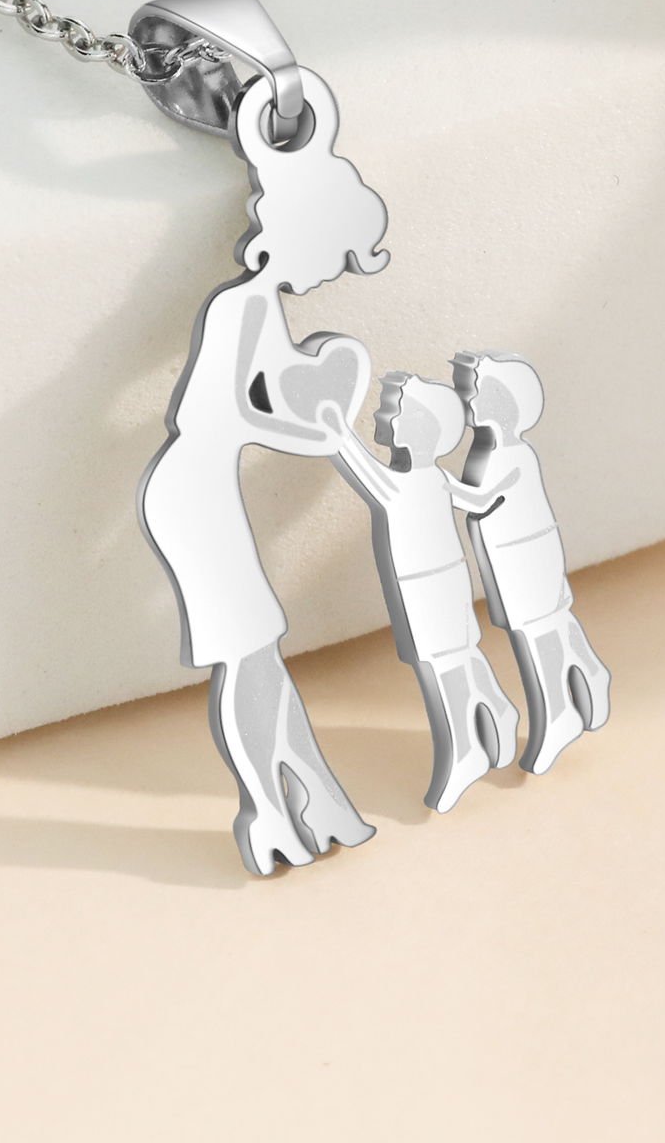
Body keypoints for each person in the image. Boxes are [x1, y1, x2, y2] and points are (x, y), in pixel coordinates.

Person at [138, 70, 389, 876]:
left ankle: (314, 802)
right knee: (247, 656)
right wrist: (323, 433)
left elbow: (276, 402)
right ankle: (274, 810)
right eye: (334, 257)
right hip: (192, 490)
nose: (328, 277)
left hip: (208, 487)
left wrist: (321, 416)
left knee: (261, 652)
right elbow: (232, 412)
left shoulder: (265, 312)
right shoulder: (240, 306)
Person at [320, 373, 523, 813]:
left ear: (422, 427)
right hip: (439, 581)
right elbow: (480, 500)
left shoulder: (404, 484)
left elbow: (355, 461)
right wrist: (499, 490)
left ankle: (465, 750)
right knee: (459, 654)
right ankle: (497, 708)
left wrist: (332, 420)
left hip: (429, 587)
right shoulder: (433, 478)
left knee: (443, 662)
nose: (380, 414)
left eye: (391, 409)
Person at [452, 350, 611, 774]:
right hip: (512, 558)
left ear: (503, 400)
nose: (465, 400)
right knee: (550, 624)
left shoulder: (513, 455)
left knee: (538, 632)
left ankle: (558, 712)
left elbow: (481, 501)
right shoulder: (492, 451)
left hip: (527, 558)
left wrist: (437, 483)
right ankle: (590, 671)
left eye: (474, 392)